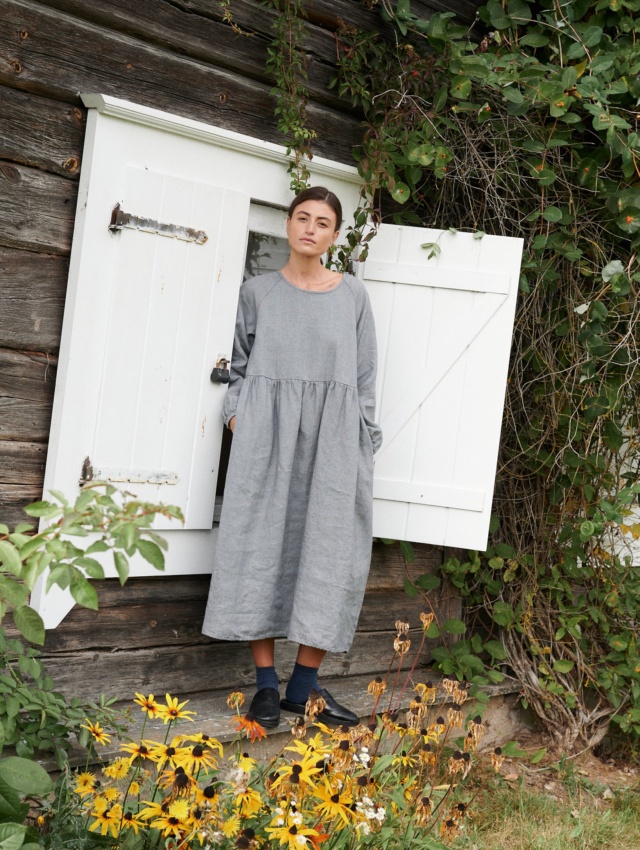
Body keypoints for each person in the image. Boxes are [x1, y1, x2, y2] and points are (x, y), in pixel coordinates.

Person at [202, 186, 382, 728]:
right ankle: (265, 685)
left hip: (333, 441)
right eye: (302, 218)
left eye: (322, 222)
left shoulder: (353, 296)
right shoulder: (256, 292)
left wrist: (364, 439)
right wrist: (239, 414)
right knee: (259, 544)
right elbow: (236, 364)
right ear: (287, 225)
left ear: (334, 234)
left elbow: (367, 377)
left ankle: (304, 686)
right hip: (268, 435)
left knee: (330, 552)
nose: (310, 228)